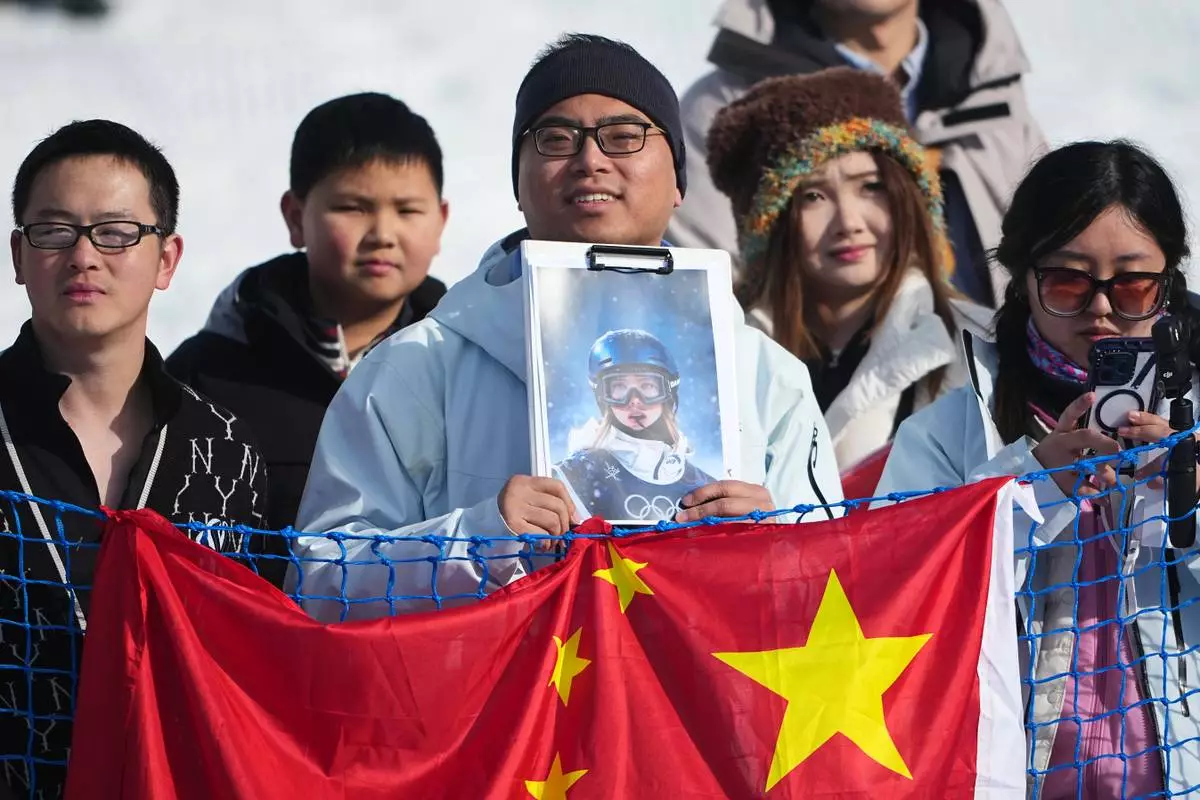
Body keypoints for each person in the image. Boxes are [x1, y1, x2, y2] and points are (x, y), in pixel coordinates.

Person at [291, 33, 844, 622]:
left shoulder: (764, 374)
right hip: (503, 708)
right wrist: (481, 540)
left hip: (695, 707)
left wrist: (771, 544)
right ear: (519, 184)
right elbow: (320, 582)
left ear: (680, 181)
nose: (590, 160)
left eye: (625, 136)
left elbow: (840, 591)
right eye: (556, 139)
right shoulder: (418, 365)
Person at [876, 141, 1200, 797]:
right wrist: (1030, 484)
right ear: (1024, 280)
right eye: (1068, 282)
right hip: (1005, 773)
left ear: (1171, 283)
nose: (1101, 308)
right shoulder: (946, 431)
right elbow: (892, 594)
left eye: (1133, 284)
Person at [2, 120, 273, 799]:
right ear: (18, 254)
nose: (84, 256)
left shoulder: (227, 451)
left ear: (168, 258)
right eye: (55, 231)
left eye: (117, 232)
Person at [167, 93, 448, 530]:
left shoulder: (460, 367)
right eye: (352, 208)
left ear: (441, 222)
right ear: (296, 217)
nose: (383, 234)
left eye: (408, 210)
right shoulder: (206, 376)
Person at [668, 0, 1047, 308]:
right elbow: (707, 305)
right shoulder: (724, 110)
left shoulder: (993, 85)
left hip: (1003, 386)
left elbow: (1056, 258)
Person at [706, 67, 989, 473]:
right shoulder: (726, 354)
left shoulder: (983, 347)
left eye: (870, 186)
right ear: (771, 225)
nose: (849, 222)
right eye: (814, 196)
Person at [554, 329, 718, 522]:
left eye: (648, 386)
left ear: (668, 392)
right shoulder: (575, 475)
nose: (634, 401)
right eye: (619, 387)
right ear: (602, 397)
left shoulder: (702, 485)